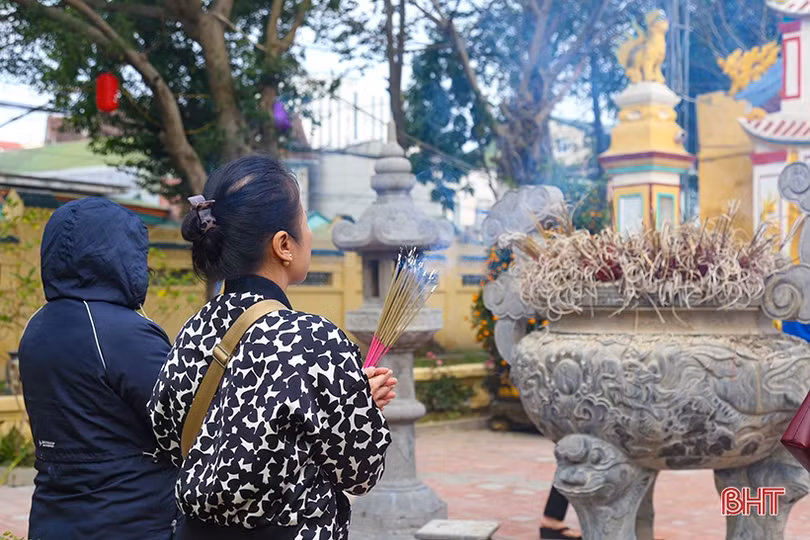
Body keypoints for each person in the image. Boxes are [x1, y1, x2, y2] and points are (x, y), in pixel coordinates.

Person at [148, 155, 396, 540]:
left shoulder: (192, 331)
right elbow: (360, 472)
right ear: (283, 244)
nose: (309, 234)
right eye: (304, 222)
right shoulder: (313, 340)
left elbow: (168, 436)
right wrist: (361, 407)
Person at [18, 197, 181, 539]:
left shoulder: (37, 326)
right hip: (127, 519)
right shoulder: (122, 332)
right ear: (120, 256)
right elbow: (180, 420)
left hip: (53, 515)